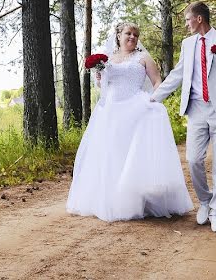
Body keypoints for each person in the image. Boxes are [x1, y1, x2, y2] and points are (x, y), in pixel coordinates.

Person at [66, 22, 193, 222]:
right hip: (111, 112)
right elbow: (104, 86)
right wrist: (99, 77)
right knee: (112, 155)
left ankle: (138, 200)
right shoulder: (108, 59)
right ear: (118, 35)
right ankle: (112, 200)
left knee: (133, 157)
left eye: (135, 34)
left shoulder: (144, 58)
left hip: (137, 108)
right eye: (128, 33)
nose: (132, 37)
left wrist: (153, 100)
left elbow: (157, 82)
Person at [150, 1, 216, 233]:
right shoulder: (188, 44)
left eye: (187, 20)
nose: (186, 25)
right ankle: (205, 201)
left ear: (199, 19)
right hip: (195, 109)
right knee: (193, 160)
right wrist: (155, 98)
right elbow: (178, 74)